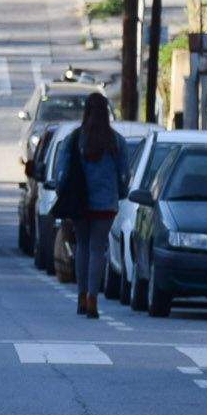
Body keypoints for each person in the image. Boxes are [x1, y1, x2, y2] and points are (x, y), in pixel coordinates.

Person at [55, 90, 127, 319]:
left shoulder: (75, 138)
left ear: (86, 111)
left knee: (82, 247)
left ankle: (81, 296)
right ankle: (93, 300)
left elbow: (62, 172)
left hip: (80, 203)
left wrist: (61, 193)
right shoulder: (116, 141)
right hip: (105, 204)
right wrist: (119, 194)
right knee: (98, 249)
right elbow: (124, 174)